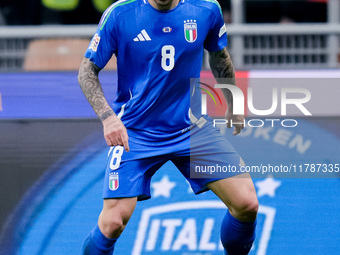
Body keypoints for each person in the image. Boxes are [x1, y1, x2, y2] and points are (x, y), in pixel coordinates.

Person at [78, 0, 259, 254]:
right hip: (136, 133)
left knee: (247, 203)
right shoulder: (120, 14)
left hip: (191, 130)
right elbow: (87, 71)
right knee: (113, 222)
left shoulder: (206, 9)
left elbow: (219, 56)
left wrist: (232, 100)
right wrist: (108, 117)